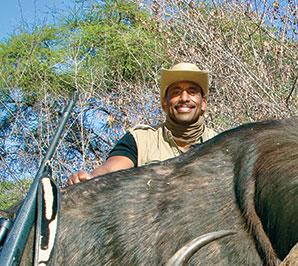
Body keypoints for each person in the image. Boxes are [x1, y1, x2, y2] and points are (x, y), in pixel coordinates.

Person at [67, 62, 217, 185]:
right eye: (176, 92)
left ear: (203, 103)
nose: (184, 98)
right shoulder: (140, 139)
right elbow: (110, 170)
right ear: (165, 103)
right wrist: (90, 179)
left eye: (192, 92)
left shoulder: (221, 143)